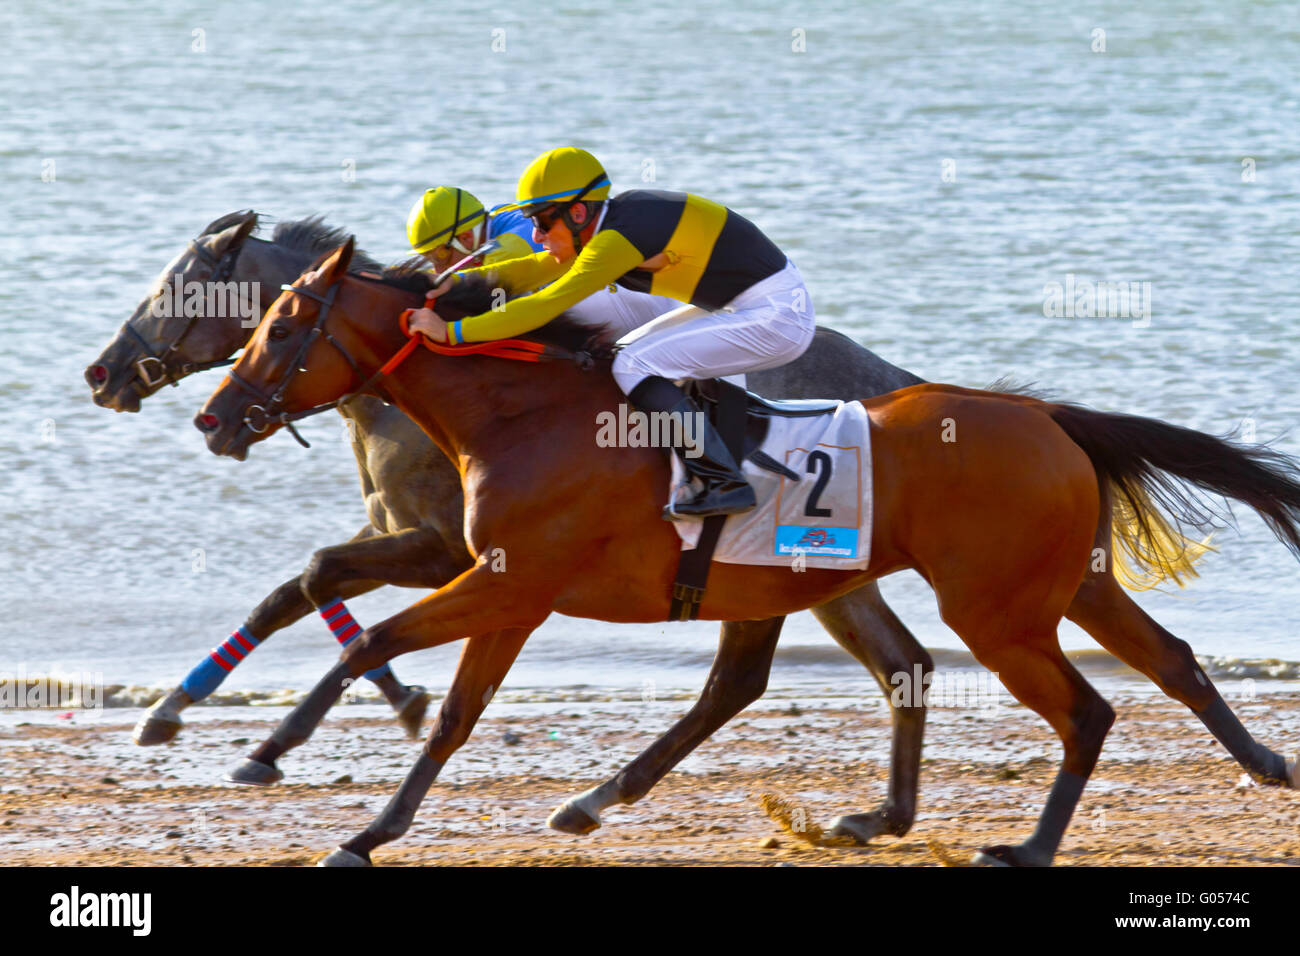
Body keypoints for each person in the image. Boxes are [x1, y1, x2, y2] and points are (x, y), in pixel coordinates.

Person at [409, 147, 816, 519]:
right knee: (629, 354)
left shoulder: (618, 239)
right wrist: (458, 284)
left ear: (579, 213)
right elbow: (537, 269)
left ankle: (723, 481)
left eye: (542, 222)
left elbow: (546, 303)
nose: (535, 236)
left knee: (633, 363)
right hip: (743, 306)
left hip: (776, 315)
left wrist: (452, 333)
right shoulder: (610, 224)